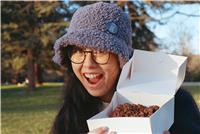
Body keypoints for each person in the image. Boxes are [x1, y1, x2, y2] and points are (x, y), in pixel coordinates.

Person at [51, 2, 200, 134]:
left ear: (121, 58)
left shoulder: (176, 105)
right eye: (78, 51)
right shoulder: (70, 112)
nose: (88, 64)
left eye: (100, 51)